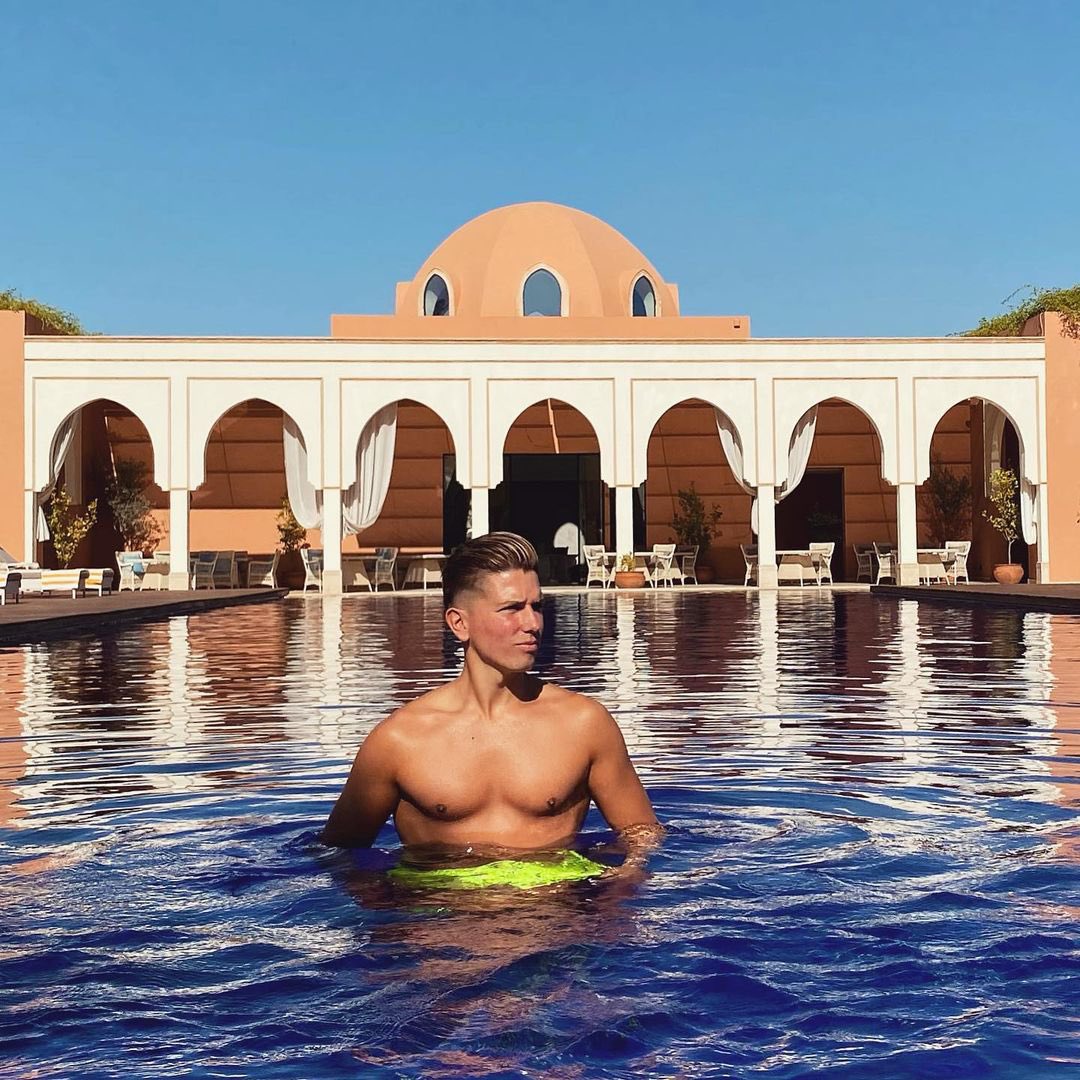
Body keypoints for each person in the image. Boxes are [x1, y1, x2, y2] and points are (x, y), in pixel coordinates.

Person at [321, 531, 660, 883]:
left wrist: (618, 888)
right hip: (438, 923)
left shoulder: (583, 724)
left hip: (556, 924)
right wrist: (394, 927)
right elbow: (338, 854)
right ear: (459, 623)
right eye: (512, 609)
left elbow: (643, 835)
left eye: (536, 607)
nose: (532, 624)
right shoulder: (399, 741)